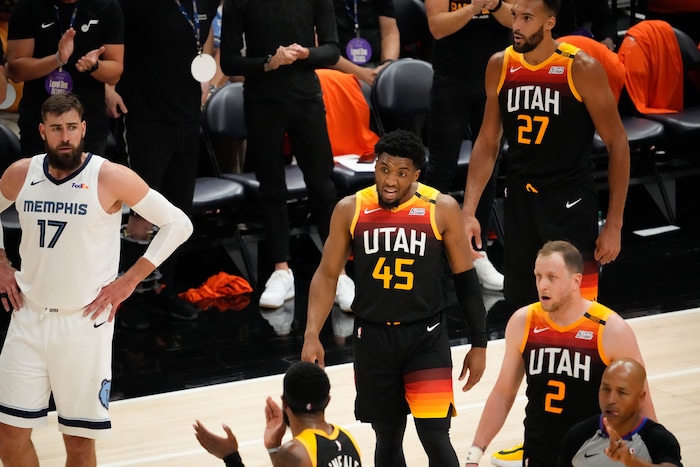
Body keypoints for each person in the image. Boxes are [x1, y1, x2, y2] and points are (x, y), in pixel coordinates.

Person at [0, 93, 193, 467]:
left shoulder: (109, 176)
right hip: (28, 318)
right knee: (8, 436)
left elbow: (178, 224)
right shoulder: (21, 173)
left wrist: (129, 281)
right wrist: (1, 262)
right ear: (42, 131)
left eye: (72, 127)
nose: (65, 136)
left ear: (84, 128)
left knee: (78, 444)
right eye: (57, 128)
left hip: (84, 324)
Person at [302, 129, 487, 466]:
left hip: (426, 337)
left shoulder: (440, 207)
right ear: (375, 166)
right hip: (372, 340)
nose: (390, 180)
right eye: (384, 169)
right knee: (387, 436)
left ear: (416, 175)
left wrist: (479, 343)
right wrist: (311, 334)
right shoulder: (351, 209)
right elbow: (327, 275)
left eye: (401, 173)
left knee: (435, 435)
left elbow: (465, 278)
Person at [461, 0, 630, 312]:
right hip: (520, 202)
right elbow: (487, 142)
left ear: (550, 22)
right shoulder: (500, 65)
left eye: (527, 18)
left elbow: (618, 144)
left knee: (576, 309)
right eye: (515, 15)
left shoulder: (581, 68)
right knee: (524, 309)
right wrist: (469, 210)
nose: (516, 26)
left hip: (569, 201)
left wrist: (614, 224)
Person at [464, 240, 656, 467]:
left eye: (552, 277)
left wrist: (658, 456)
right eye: (538, 276)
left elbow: (641, 400)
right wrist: (475, 453)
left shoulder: (610, 329)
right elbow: (503, 393)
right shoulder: (523, 322)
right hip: (539, 455)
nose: (542, 285)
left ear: (576, 281)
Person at [220, 0, 355, 311]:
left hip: (306, 97)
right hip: (262, 101)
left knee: (323, 186)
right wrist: (269, 63)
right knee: (271, 189)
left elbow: (332, 50)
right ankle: (281, 270)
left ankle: (338, 273)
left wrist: (306, 53)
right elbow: (228, 61)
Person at [105, 0, 219, 330]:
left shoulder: (204, 2)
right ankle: (130, 297)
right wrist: (107, 87)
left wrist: (208, 76)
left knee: (177, 210)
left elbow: (205, 37)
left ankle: (162, 289)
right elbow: (110, 39)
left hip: (187, 114)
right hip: (143, 114)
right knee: (142, 213)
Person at [423, 0, 513, 291]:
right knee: (441, 168)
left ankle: (477, 250)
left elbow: (516, 20)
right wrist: (474, 7)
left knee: (490, 164)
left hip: (495, 76)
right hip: (451, 79)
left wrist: (495, 4)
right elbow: (437, 27)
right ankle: (428, 254)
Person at [6, 0, 124, 158]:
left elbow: (115, 73)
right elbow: (16, 70)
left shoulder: (106, 6)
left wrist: (94, 66)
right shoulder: (27, 6)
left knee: (87, 174)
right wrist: (57, 59)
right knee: (38, 173)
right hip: (39, 123)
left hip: (89, 123)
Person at [194, 361, 362, 467]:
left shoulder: (295, 452)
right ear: (327, 401)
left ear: (284, 402)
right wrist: (274, 447)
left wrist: (231, 457)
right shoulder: (348, 438)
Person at [558, 358, 683, 467]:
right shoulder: (578, 436)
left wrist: (630, 461)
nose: (610, 400)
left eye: (622, 392)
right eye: (606, 389)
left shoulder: (659, 440)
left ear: (640, 397)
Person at [330, 0, 401, 85]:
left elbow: (389, 33)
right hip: (338, 69)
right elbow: (322, 48)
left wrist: (387, 66)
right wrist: (362, 74)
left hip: (377, 67)